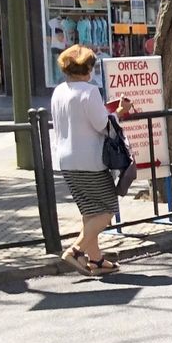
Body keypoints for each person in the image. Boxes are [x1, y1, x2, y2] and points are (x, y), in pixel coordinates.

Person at [51, 45, 128, 276]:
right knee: (107, 210)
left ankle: (95, 259)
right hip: (90, 160)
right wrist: (119, 112)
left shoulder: (59, 91)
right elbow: (102, 125)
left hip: (67, 159)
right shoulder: (90, 91)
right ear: (88, 68)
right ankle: (76, 251)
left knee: (89, 211)